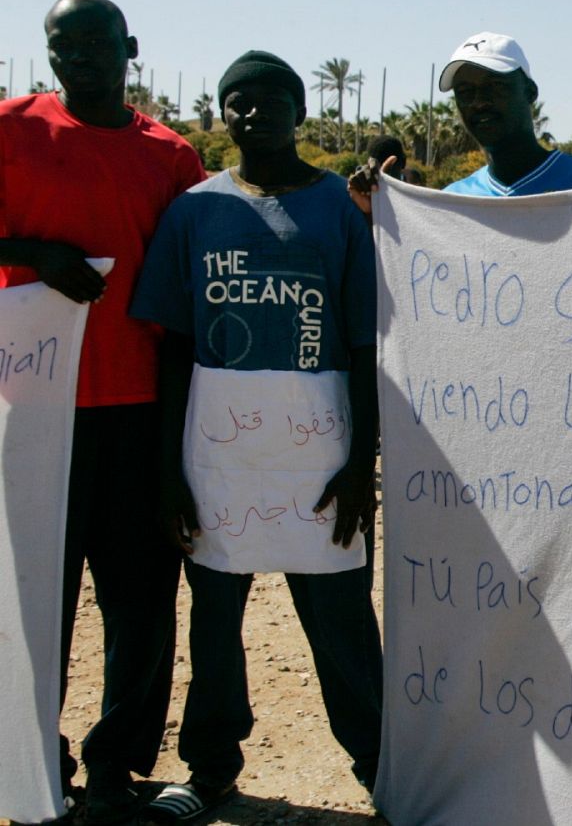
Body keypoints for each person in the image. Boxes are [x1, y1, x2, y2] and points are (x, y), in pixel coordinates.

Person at [129, 51, 383, 824]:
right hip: (220, 458)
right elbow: (173, 344)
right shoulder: (194, 211)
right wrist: (173, 469)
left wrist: (360, 465)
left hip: (320, 454)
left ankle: (382, 765)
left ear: (299, 110)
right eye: (238, 101)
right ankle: (210, 768)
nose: (254, 112)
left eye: (273, 99)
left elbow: (368, 346)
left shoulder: (341, 211)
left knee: (341, 623)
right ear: (223, 112)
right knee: (214, 621)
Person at [0, 0, 205, 826]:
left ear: (129, 46)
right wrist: (30, 253)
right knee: (29, 599)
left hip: (139, 411)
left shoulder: (172, 154)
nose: (78, 57)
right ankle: (29, 757)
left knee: (141, 600)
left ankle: (116, 763)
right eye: (62, 46)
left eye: (93, 43)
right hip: (29, 409)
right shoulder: (11, 126)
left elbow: (194, 269)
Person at [349, 32, 572, 208]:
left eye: (495, 87)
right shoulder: (452, 201)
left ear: (530, 92)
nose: (479, 102)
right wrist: (377, 213)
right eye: (465, 92)